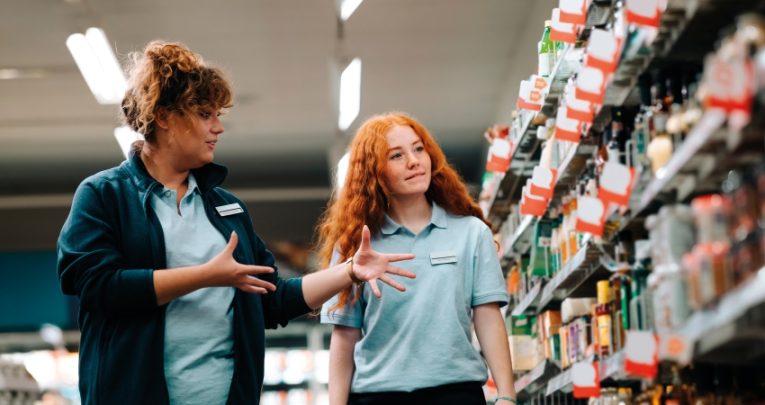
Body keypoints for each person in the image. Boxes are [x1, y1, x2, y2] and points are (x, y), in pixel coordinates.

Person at [56, 41, 415, 405]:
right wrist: (208, 275)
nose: (218, 127)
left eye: (218, 114)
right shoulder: (104, 195)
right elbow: (97, 287)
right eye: (205, 114)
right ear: (164, 116)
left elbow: (271, 301)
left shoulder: (227, 209)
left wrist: (350, 271)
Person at [317, 112, 518, 405]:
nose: (414, 161)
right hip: (377, 397)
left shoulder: (471, 233)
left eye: (419, 149)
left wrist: (507, 395)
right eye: (396, 156)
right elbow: (345, 333)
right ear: (375, 172)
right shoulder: (356, 245)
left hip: (456, 394)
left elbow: (487, 316)